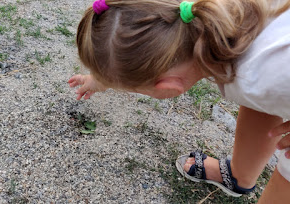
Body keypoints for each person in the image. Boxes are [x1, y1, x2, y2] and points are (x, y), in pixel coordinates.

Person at [68, 0, 290, 202]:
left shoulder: (256, 76)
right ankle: (239, 176)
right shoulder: (203, 17)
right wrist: (101, 79)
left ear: (169, 87)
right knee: (259, 100)